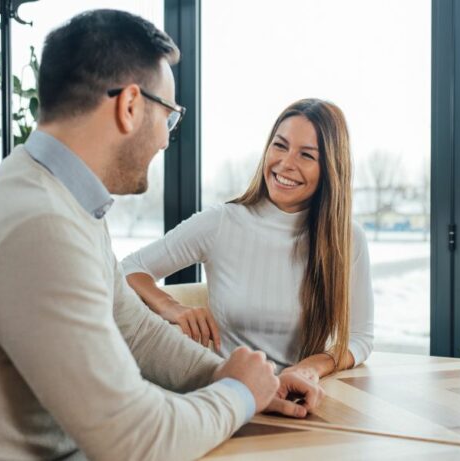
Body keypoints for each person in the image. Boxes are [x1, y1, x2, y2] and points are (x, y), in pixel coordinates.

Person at [0, 10, 322, 461]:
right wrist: (238, 392)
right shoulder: (36, 224)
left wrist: (237, 379)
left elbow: (135, 330)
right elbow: (134, 439)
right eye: (170, 118)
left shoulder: (61, 201)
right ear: (130, 106)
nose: (164, 140)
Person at [122, 98, 374, 384]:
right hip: (225, 395)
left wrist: (309, 368)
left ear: (330, 168)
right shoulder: (221, 222)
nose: (286, 163)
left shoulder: (348, 239)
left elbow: (360, 338)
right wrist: (171, 306)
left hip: (301, 395)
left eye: (306, 155)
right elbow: (129, 269)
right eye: (280, 145)